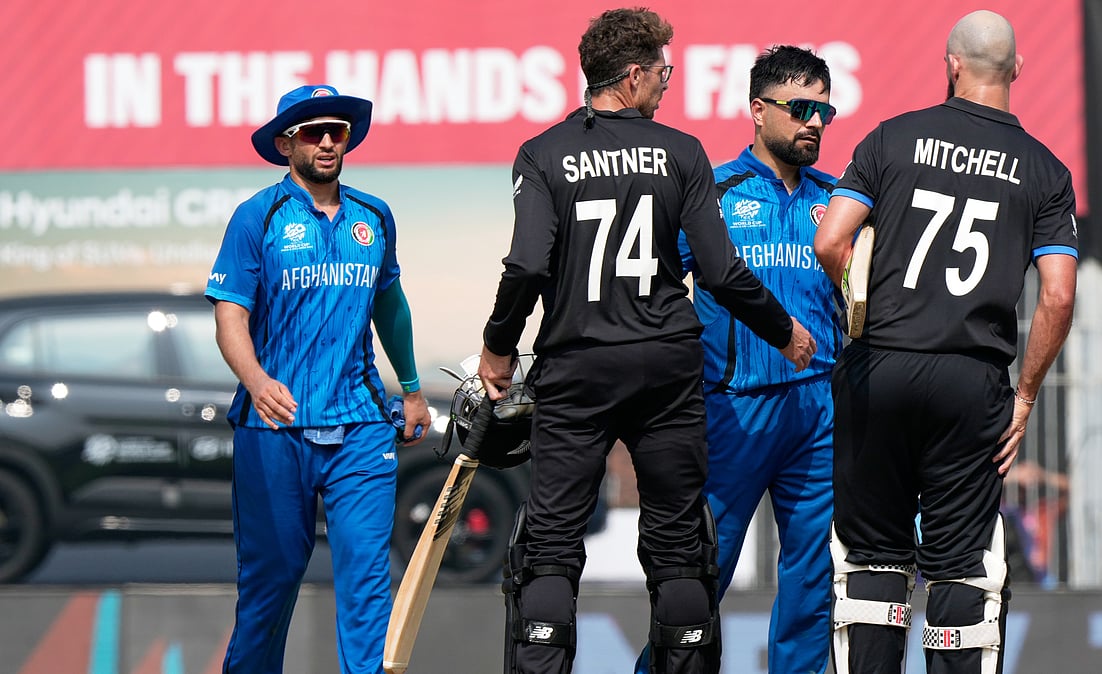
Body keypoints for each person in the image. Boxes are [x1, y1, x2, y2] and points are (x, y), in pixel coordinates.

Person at [475, 8, 816, 674]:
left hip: (576, 364)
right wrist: (784, 329)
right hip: (665, 366)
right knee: (680, 546)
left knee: (549, 548)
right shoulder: (682, 152)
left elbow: (527, 265)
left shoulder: (542, 153)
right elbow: (719, 271)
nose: (667, 83)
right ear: (631, 77)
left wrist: (498, 346)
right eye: (663, 71)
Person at [813, 10, 1077, 674]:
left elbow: (830, 240)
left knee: (874, 559)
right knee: (962, 567)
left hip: (881, 369)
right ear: (1015, 70)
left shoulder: (891, 140)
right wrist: (1024, 396)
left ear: (951, 65)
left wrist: (860, 306)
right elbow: (1058, 294)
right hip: (972, 381)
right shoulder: (1044, 172)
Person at [205, 84, 431, 674]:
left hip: (360, 422)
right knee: (270, 585)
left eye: (337, 129)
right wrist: (255, 380)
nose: (328, 140)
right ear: (285, 143)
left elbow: (391, 307)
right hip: (275, 424)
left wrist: (409, 389)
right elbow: (231, 315)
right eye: (312, 131)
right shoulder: (260, 216)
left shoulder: (374, 215)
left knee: (365, 583)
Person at [636, 45, 840, 674]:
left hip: (819, 411)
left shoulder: (840, 200)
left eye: (825, 112)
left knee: (812, 581)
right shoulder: (714, 191)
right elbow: (656, 287)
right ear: (758, 110)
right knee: (700, 578)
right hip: (731, 407)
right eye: (800, 107)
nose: (814, 122)